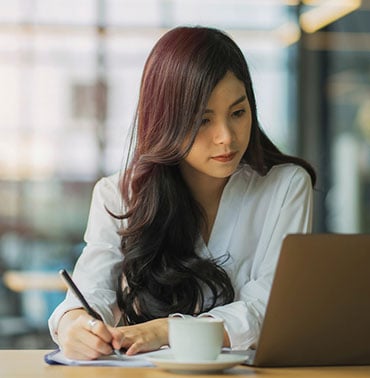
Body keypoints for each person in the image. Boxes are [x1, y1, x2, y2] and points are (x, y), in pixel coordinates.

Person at [49, 26, 316, 360]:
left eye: (238, 113)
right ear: (166, 120)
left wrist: (165, 330)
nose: (226, 137)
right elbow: (89, 293)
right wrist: (76, 326)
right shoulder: (119, 195)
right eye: (203, 120)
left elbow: (271, 307)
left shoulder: (285, 186)